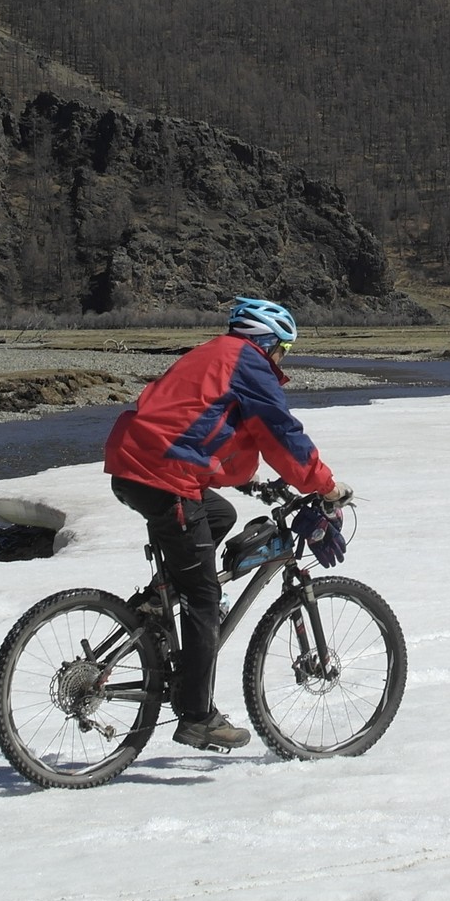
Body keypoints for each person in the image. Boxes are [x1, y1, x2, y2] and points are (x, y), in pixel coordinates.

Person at [103, 297, 349, 753]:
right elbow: (281, 434)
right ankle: (197, 718)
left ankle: (161, 603)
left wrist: (252, 482)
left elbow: (203, 427)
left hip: (136, 465)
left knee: (220, 515)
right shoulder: (249, 364)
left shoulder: (217, 353)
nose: (282, 359)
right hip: (162, 475)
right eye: (285, 349)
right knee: (204, 596)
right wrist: (326, 486)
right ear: (269, 341)